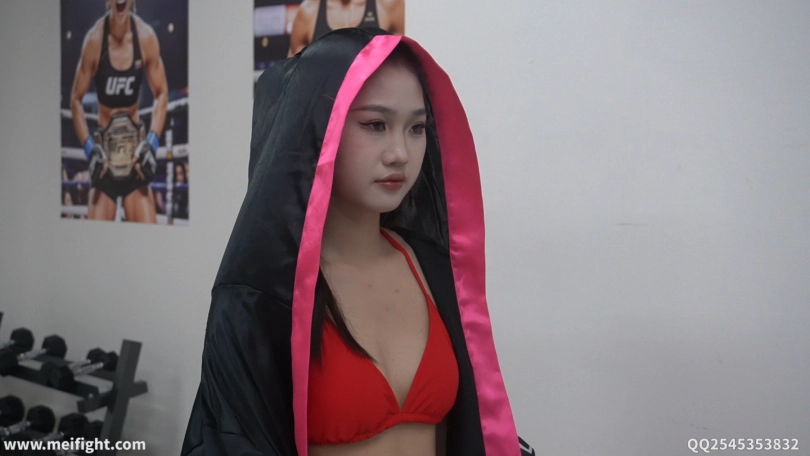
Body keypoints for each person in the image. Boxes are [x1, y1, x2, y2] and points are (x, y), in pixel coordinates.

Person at [181, 28, 534, 455]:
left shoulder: (435, 270)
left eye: (417, 127)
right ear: (316, 130)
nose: (400, 152)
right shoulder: (259, 297)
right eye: (375, 125)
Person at [70, 0, 168, 223]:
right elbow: (75, 99)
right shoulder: (94, 41)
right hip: (105, 163)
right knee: (95, 239)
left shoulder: (145, 38)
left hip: (135, 161)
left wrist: (151, 144)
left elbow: (161, 92)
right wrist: (90, 150)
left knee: (148, 237)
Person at [288, 0, 405, 56]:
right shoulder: (309, 11)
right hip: (327, 96)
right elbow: (293, 73)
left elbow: (406, 60)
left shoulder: (387, 4)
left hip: (375, 93)